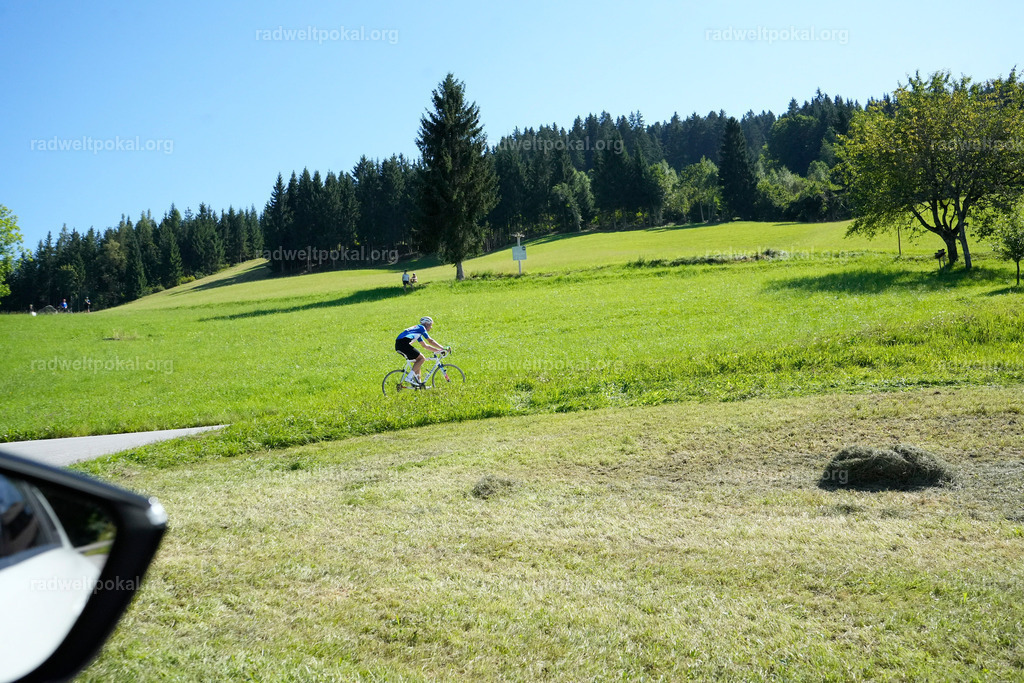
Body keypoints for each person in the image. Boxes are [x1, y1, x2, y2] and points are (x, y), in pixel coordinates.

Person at [395, 316, 447, 386]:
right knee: (422, 358)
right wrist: (443, 348)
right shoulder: (421, 328)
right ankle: (409, 377)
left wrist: (439, 350)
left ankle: (418, 384)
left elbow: (425, 346)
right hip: (403, 344)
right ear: (427, 324)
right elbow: (430, 341)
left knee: (418, 362)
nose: (431, 327)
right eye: (430, 325)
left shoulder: (418, 331)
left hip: (399, 345)